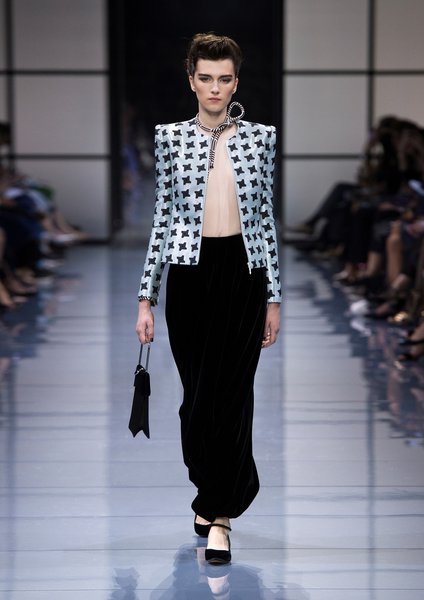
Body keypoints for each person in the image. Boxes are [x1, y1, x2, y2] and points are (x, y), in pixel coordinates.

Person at [136, 32, 281, 565]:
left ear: (236, 83)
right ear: (191, 80)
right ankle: (209, 486)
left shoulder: (261, 138)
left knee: (232, 394)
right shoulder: (170, 138)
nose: (215, 87)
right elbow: (162, 217)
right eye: (206, 78)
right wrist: (146, 298)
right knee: (197, 398)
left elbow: (265, 218)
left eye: (224, 79)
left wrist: (274, 298)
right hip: (189, 276)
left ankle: (220, 514)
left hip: (244, 274)